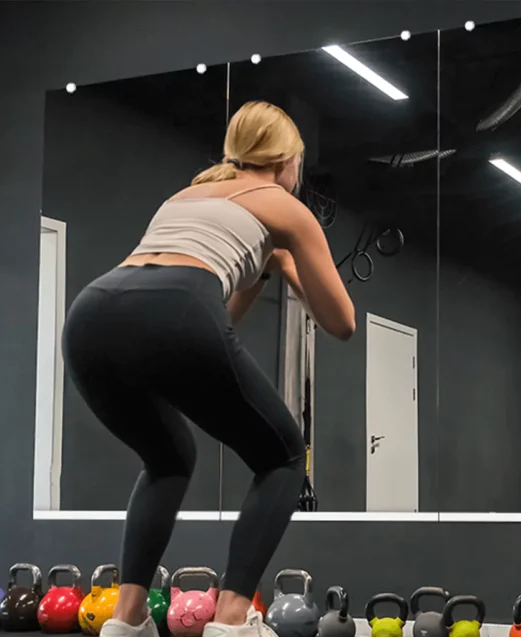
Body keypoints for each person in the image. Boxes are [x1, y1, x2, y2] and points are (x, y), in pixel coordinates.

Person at [60, 101, 356, 637]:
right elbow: (341, 322)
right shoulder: (284, 207)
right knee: (284, 456)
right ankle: (232, 618)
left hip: (91, 314)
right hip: (175, 306)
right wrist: (287, 262)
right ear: (288, 160)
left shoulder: (186, 194)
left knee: (168, 456)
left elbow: (216, 319)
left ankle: (126, 623)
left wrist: (260, 272)